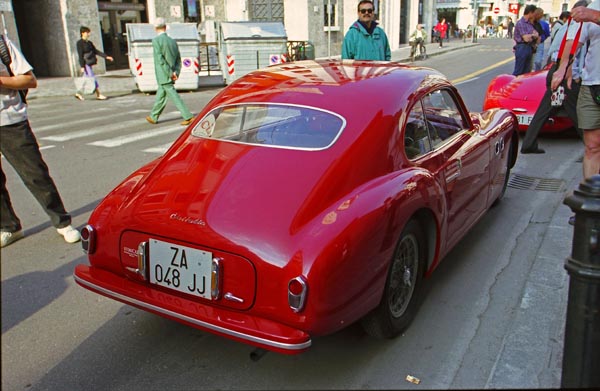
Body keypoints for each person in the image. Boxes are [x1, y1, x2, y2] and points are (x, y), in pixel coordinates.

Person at [0, 36, 81, 247]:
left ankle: (62, 222)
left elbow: (29, 80)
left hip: (9, 121)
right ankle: (9, 226)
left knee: (34, 174)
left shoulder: (2, 44)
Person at [551, 0, 599, 224]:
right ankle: (592, 205)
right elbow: (574, 38)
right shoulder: (593, 5)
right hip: (592, 85)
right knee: (592, 146)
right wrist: (563, 67)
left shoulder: (592, 11)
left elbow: (591, 18)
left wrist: (594, 16)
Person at [521, 1, 588, 155]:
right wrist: (576, 76)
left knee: (545, 109)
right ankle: (593, 148)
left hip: (555, 69)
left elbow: (553, 51)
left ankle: (528, 143)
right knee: (578, 112)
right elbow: (574, 55)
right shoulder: (578, 27)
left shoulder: (565, 26)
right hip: (566, 73)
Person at [146, 17, 195, 126]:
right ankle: (154, 116)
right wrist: (175, 72)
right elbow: (178, 59)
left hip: (164, 74)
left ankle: (188, 116)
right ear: (165, 27)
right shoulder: (173, 41)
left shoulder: (156, 41)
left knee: (173, 95)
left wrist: (169, 73)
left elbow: (161, 60)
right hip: (171, 73)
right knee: (161, 95)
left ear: (155, 28)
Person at [75, 26, 113, 101]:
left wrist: (106, 57)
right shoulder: (79, 43)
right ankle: (98, 94)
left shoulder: (89, 43)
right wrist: (82, 66)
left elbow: (96, 51)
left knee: (86, 79)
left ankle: (78, 93)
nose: (88, 34)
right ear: (82, 33)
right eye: (87, 32)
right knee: (92, 78)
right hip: (86, 64)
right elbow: (80, 55)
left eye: (88, 32)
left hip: (89, 63)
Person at [512, 4, 540, 76]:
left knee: (527, 72)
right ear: (530, 12)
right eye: (534, 13)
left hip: (529, 47)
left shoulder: (529, 24)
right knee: (519, 70)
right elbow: (526, 38)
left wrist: (532, 36)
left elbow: (537, 35)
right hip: (522, 47)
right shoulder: (521, 23)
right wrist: (533, 35)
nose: (534, 15)